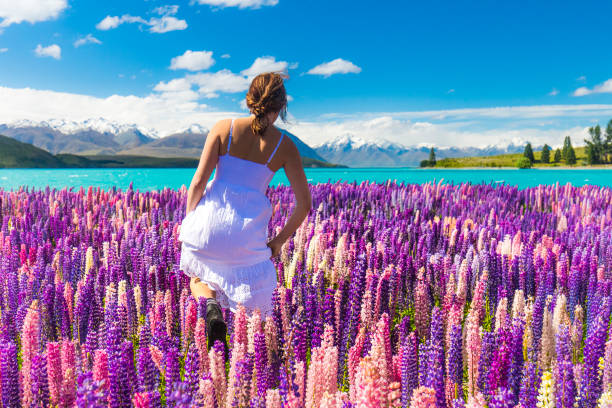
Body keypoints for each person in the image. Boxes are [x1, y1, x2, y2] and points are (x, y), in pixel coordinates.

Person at [177, 72, 312, 352]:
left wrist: (191, 222)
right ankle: (249, 360)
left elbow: (198, 182)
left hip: (209, 224)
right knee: (251, 294)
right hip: (246, 231)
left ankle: (211, 306)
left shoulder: (223, 128)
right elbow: (304, 205)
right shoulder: (285, 146)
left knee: (199, 276)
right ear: (282, 106)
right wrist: (278, 242)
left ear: (250, 98)